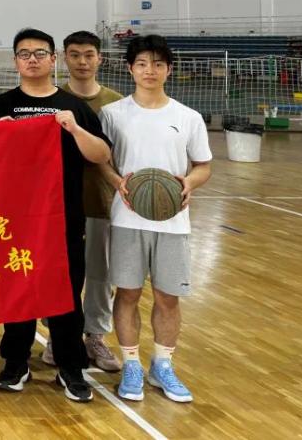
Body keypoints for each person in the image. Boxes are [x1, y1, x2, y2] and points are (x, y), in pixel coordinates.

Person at [0, 28, 111, 404]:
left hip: (64, 217)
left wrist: (74, 128)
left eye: (40, 53)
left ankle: (71, 367)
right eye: (24, 54)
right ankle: (15, 362)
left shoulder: (74, 107)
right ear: (15, 61)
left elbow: (101, 154)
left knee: (66, 292)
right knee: (17, 289)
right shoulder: (0, 106)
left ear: (54, 60)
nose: (32, 59)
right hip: (14, 218)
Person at [101, 35, 212, 404]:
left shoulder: (188, 117)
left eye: (158, 64)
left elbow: (203, 166)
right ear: (130, 69)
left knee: (168, 297)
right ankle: (131, 363)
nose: (150, 70)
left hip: (173, 222)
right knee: (128, 293)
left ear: (169, 70)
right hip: (126, 219)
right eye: (142, 63)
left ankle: (163, 364)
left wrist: (189, 182)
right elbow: (101, 161)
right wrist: (117, 182)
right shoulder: (113, 114)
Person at [50, 30, 124, 373]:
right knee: (61, 275)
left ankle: (95, 335)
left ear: (100, 58)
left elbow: (116, 154)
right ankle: (59, 336)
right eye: (75, 55)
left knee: (99, 275)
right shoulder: (52, 98)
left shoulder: (116, 103)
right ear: (64, 58)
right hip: (58, 207)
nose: (82, 61)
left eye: (89, 55)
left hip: (99, 201)